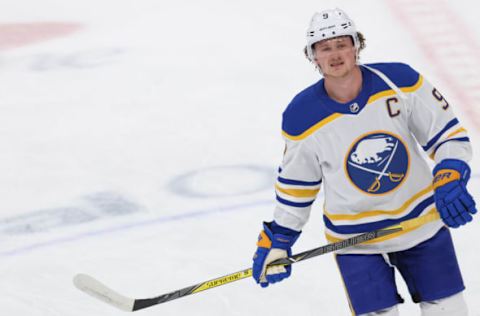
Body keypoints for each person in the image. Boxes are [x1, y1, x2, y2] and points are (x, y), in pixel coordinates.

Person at [252, 8, 477, 316]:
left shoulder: (401, 81)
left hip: (420, 225)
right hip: (356, 241)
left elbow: (448, 136)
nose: (335, 54)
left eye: (342, 44)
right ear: (312, 56)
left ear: (357, 45)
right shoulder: (301, 117)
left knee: (449, 311)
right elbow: (297, 188)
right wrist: (280, 237)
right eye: (324, 47)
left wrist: (450, 174)